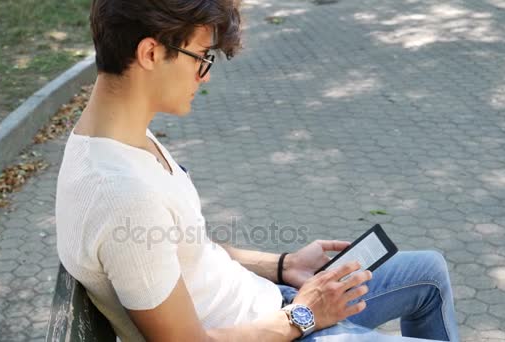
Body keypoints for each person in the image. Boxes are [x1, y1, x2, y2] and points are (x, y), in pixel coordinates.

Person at [55, 0, 460, 341]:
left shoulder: (120, 139)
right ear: (150, 53)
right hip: (283, 327)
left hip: (275, 301)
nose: (207, 74)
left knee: (429, 271)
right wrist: (304, 316)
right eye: (201, 57)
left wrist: (283, 264)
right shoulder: (121, 194)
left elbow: (186, 244)